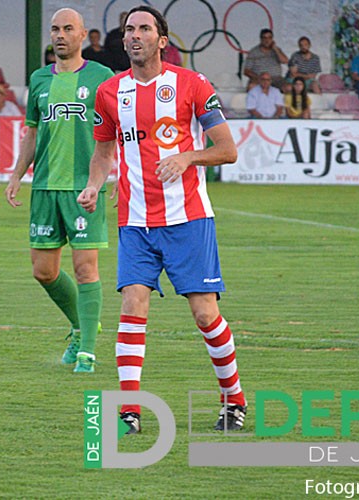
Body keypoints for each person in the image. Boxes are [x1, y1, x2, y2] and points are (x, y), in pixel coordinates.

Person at [78, 5, 248, 433]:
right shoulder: (110, 92)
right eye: (128, 29)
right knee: (132, 303)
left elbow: (228, 149)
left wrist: (188, 155)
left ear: (162, 39)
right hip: (135, 220)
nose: (134, 36)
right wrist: (95, 185)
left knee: (205, 315)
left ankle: (235, 400)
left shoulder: (192, 85)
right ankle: (129, 412)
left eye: (143, 29)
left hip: (188, 220)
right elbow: (103, 152)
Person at [4, 8, 114, 374]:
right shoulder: (38, 79)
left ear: (83, 35)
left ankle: (87, 350)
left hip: (85, 189)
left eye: (69, 28)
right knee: (43, 271)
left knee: (85, 268)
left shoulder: (102, 77)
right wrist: (18, 174)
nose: (60, 35)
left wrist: (116, 177)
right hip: (46, 188)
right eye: (55, 29)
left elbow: (117, 130)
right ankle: (82, 323)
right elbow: (32, 133)